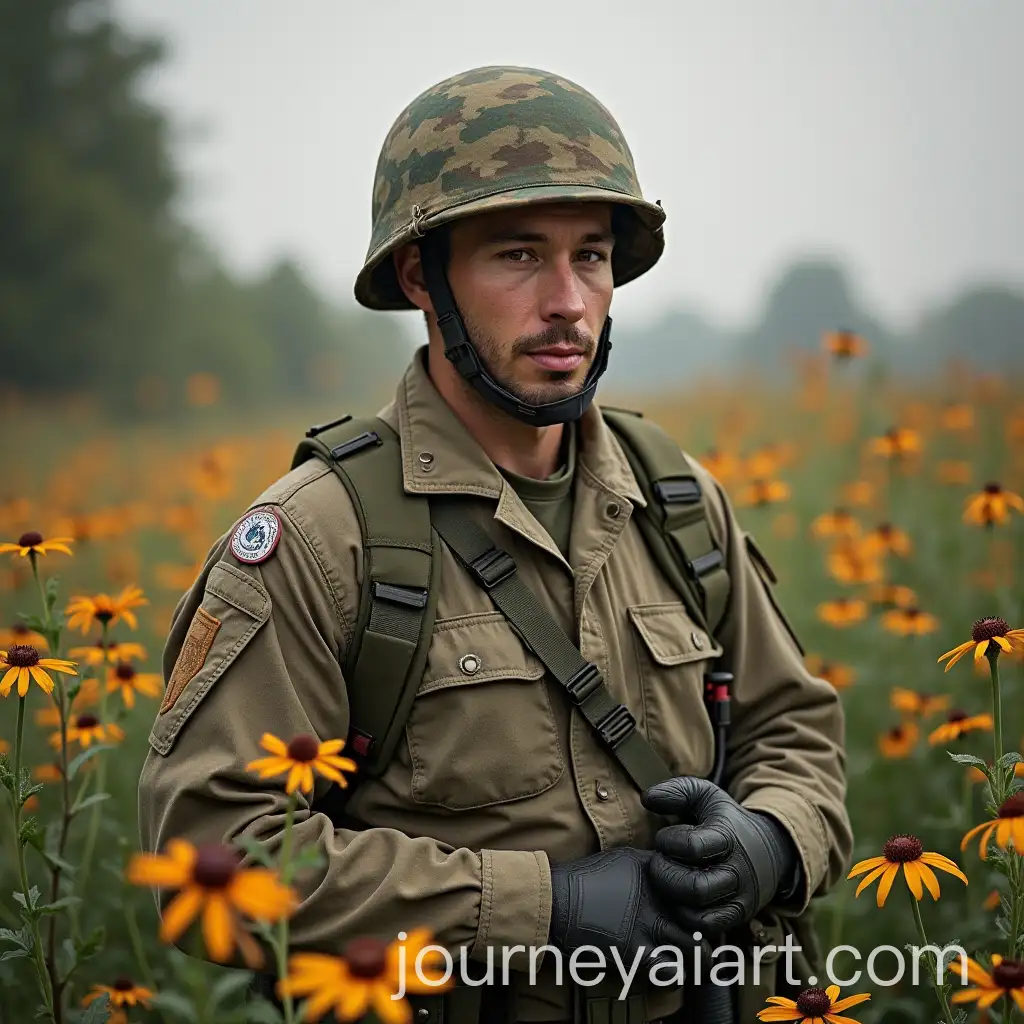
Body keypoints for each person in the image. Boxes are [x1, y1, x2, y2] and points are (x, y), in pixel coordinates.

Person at [137, 65, 852, 1024]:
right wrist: (540, 909)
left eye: (591, 256)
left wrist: (768, 841)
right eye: (519, 256)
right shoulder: (321, 537)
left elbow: (793, 730)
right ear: (418, 276)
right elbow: (210, 847)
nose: (568, 301)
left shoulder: (677, 501)